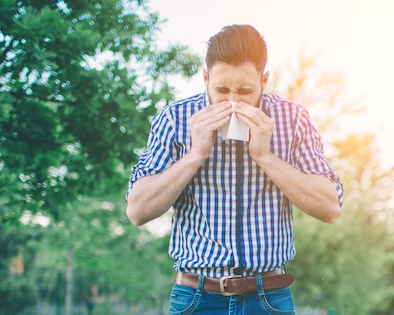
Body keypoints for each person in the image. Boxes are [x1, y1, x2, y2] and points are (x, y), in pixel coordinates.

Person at [126, 24, 344, 315]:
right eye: (221, 89)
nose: (232, 102)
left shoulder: (292, 119)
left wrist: (265, 156)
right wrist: (195, 154)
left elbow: (330, 207)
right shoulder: (174, 119)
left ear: (264, 80)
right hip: (196, 297)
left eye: (244, 91)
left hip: (269, 298)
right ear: (205, 78)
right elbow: (137, 211)